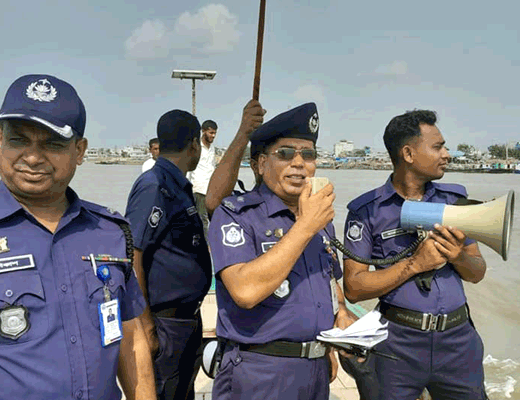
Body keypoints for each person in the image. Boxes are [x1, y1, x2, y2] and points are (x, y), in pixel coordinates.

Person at [0, 74, 156, 400]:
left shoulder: (108, 233)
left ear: (79, 150)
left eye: (52, 143)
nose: (33, 157)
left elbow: (132, 342)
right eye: (19, 140)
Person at [208, 103, 358, 400]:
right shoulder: (237, 214)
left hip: (315, 371)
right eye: (286, 154)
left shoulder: (319, 217)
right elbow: (245, 290)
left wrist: (340, 317)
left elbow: (329, 282)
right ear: (261, 164)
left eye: (309, 154)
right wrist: (305, 226)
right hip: (259, 372)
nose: (299, 163)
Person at [343, 109, 489, 400]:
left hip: (458, 343)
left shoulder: (454, 202)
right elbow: (354, 288)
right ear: (408, 153)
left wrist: (458, 256)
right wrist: (414, 264)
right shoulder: (367, 211)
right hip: (397, 347)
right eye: (437, 147)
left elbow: (477, 272)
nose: (446, 154)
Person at [124, 109, 212, 400]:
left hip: (185, 320)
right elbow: (133, 253)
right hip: (165, 324)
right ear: (194, 145)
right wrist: (146, 326)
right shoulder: (155, 185)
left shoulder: (178, 184)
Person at [187, 120, 217, 234]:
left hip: (211, 189)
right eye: (210, 133)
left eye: (214, 133)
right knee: (201, 220)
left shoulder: (212, 148)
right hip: (199, 189)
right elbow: (189, 169)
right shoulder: (196, 147)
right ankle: (205, 248)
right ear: (203, 131)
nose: (213, 136)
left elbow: (212, 167)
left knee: (213, 219)